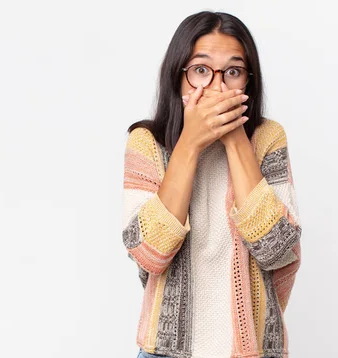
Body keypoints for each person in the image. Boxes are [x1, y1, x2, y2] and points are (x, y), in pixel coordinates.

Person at [121, 11, 303, 358]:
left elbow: (278, 250)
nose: (218, 87)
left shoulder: (267, 139)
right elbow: (149, 254)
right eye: (201, 71)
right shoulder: (148, 142)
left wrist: (235, 140)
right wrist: (189, 144)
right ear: (178, 77)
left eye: (233, 72)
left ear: (248, 81)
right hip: (165, 351)